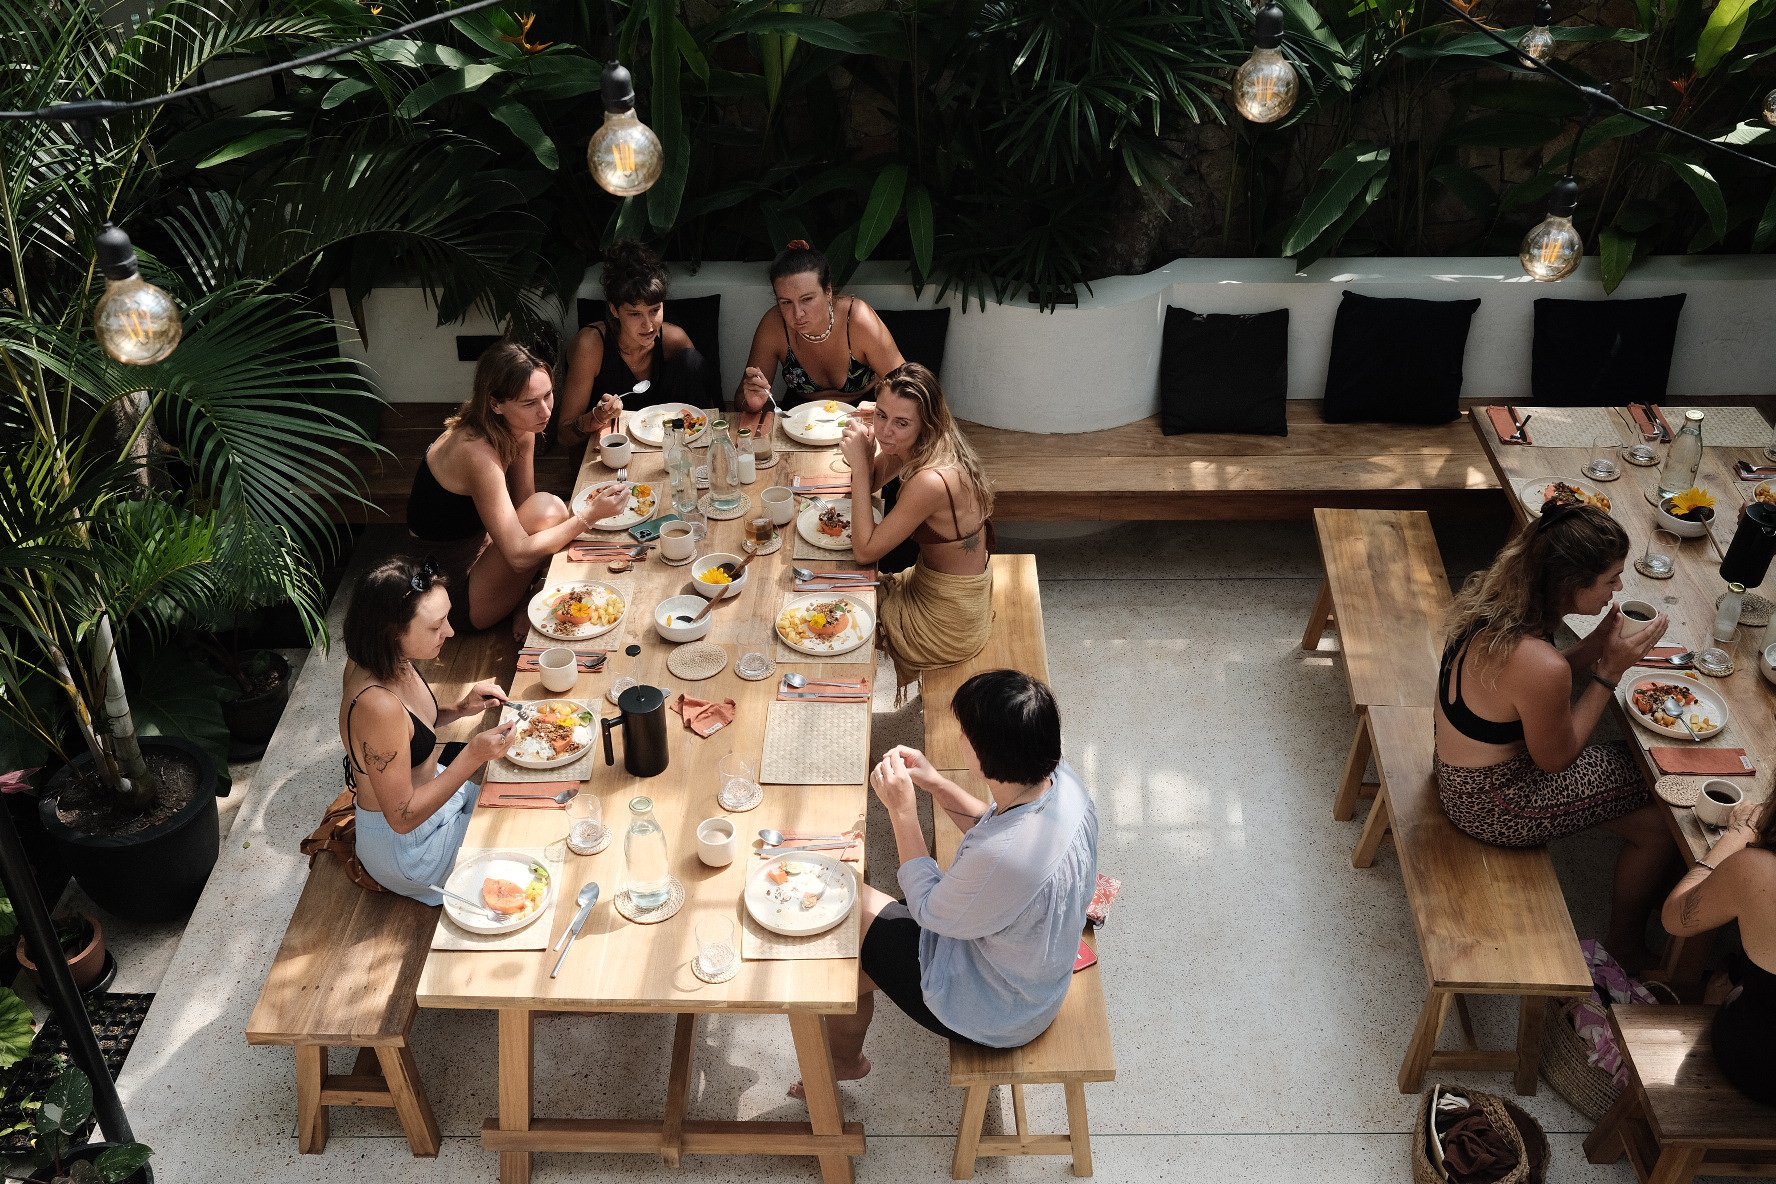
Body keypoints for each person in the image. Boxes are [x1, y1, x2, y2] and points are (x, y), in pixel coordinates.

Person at [794, 671, 1098, 1094]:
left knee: (843, 907)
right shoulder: (1064, 784)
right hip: (1034, 976)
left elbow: (930, 910)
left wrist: (901, 810)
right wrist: (933, 782)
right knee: (857, 951)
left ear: (979, 751)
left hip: (998, 1011)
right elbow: (989, 823)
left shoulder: (1003, 859)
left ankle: (841, 1061)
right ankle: (844, 1057)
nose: (959, 736)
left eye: (964, 732)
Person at [1435, 501, 1682, 970]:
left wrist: (1588, 651)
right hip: (1493, 803)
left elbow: (1519, 692)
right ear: (1572, 584)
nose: (1619, 588)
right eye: (1610, 579)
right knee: (1661, 787)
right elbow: (1556, 758)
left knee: (1653, 802)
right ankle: (1628, 944)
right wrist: (1608, 674)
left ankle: (1657, 894)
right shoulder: (1539, 663)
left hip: (1459, 769)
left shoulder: (1496, 607)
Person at [408, 340, 629, 632]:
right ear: (495, 404)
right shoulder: (475, 452)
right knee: (554, 509)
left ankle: (533, 593)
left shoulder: (519, 425)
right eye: (530, 403)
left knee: (548, 509)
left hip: (486, 551)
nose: (545, 412)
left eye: (548, 396)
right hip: (450, 597)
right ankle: (531, 598)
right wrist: (588, 517)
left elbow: (526, 505)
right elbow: (517, 554)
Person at [337, 557, 518, 905]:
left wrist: (462, 708)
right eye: (436, 627)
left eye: (447, 618)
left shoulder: (386, 656)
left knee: (518, 797)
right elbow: (402, 817)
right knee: (518, 834)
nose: (449, 632)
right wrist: (472, 756)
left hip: (437, 801)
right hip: (408, 848)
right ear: (392, 631)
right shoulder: (377, 705)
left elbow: (409, 732)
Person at [837, 362, 993, 679]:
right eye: (881, 415)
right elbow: (874, 482)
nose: (885, 431)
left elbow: (865, 552)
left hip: (947, 622)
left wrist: (860, 464)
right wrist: (868, 457)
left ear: (925, 423)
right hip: (949, 591)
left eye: (901, 422)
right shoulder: (926, 439)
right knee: (836, 593)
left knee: (838, 612)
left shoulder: (930, 482)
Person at [1661, 799, 1776, 1103]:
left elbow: (1675, 918)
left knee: (1723, 981)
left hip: (1757, 1068)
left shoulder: (1759, 871)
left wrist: (1738, 834)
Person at [556, 239, 707, 451]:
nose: (648, 325)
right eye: (635, 314)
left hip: (665, 447)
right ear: (615, 310)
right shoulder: (591, 346)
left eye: (655, 310)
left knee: (691, 361)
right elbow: (564, 435)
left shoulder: (674, 340)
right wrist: (596, 416)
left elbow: (705, 411)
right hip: (607, 452)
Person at [736, 240, 904, 412]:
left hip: (864, 411)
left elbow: (909, 387)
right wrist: (753, 403)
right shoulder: (774, 325)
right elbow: (741, 401)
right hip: (799, 415)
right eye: (786, 302)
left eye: (807, 299)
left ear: (828, 291)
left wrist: (882, 409)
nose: (797, 313)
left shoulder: (857, 319)